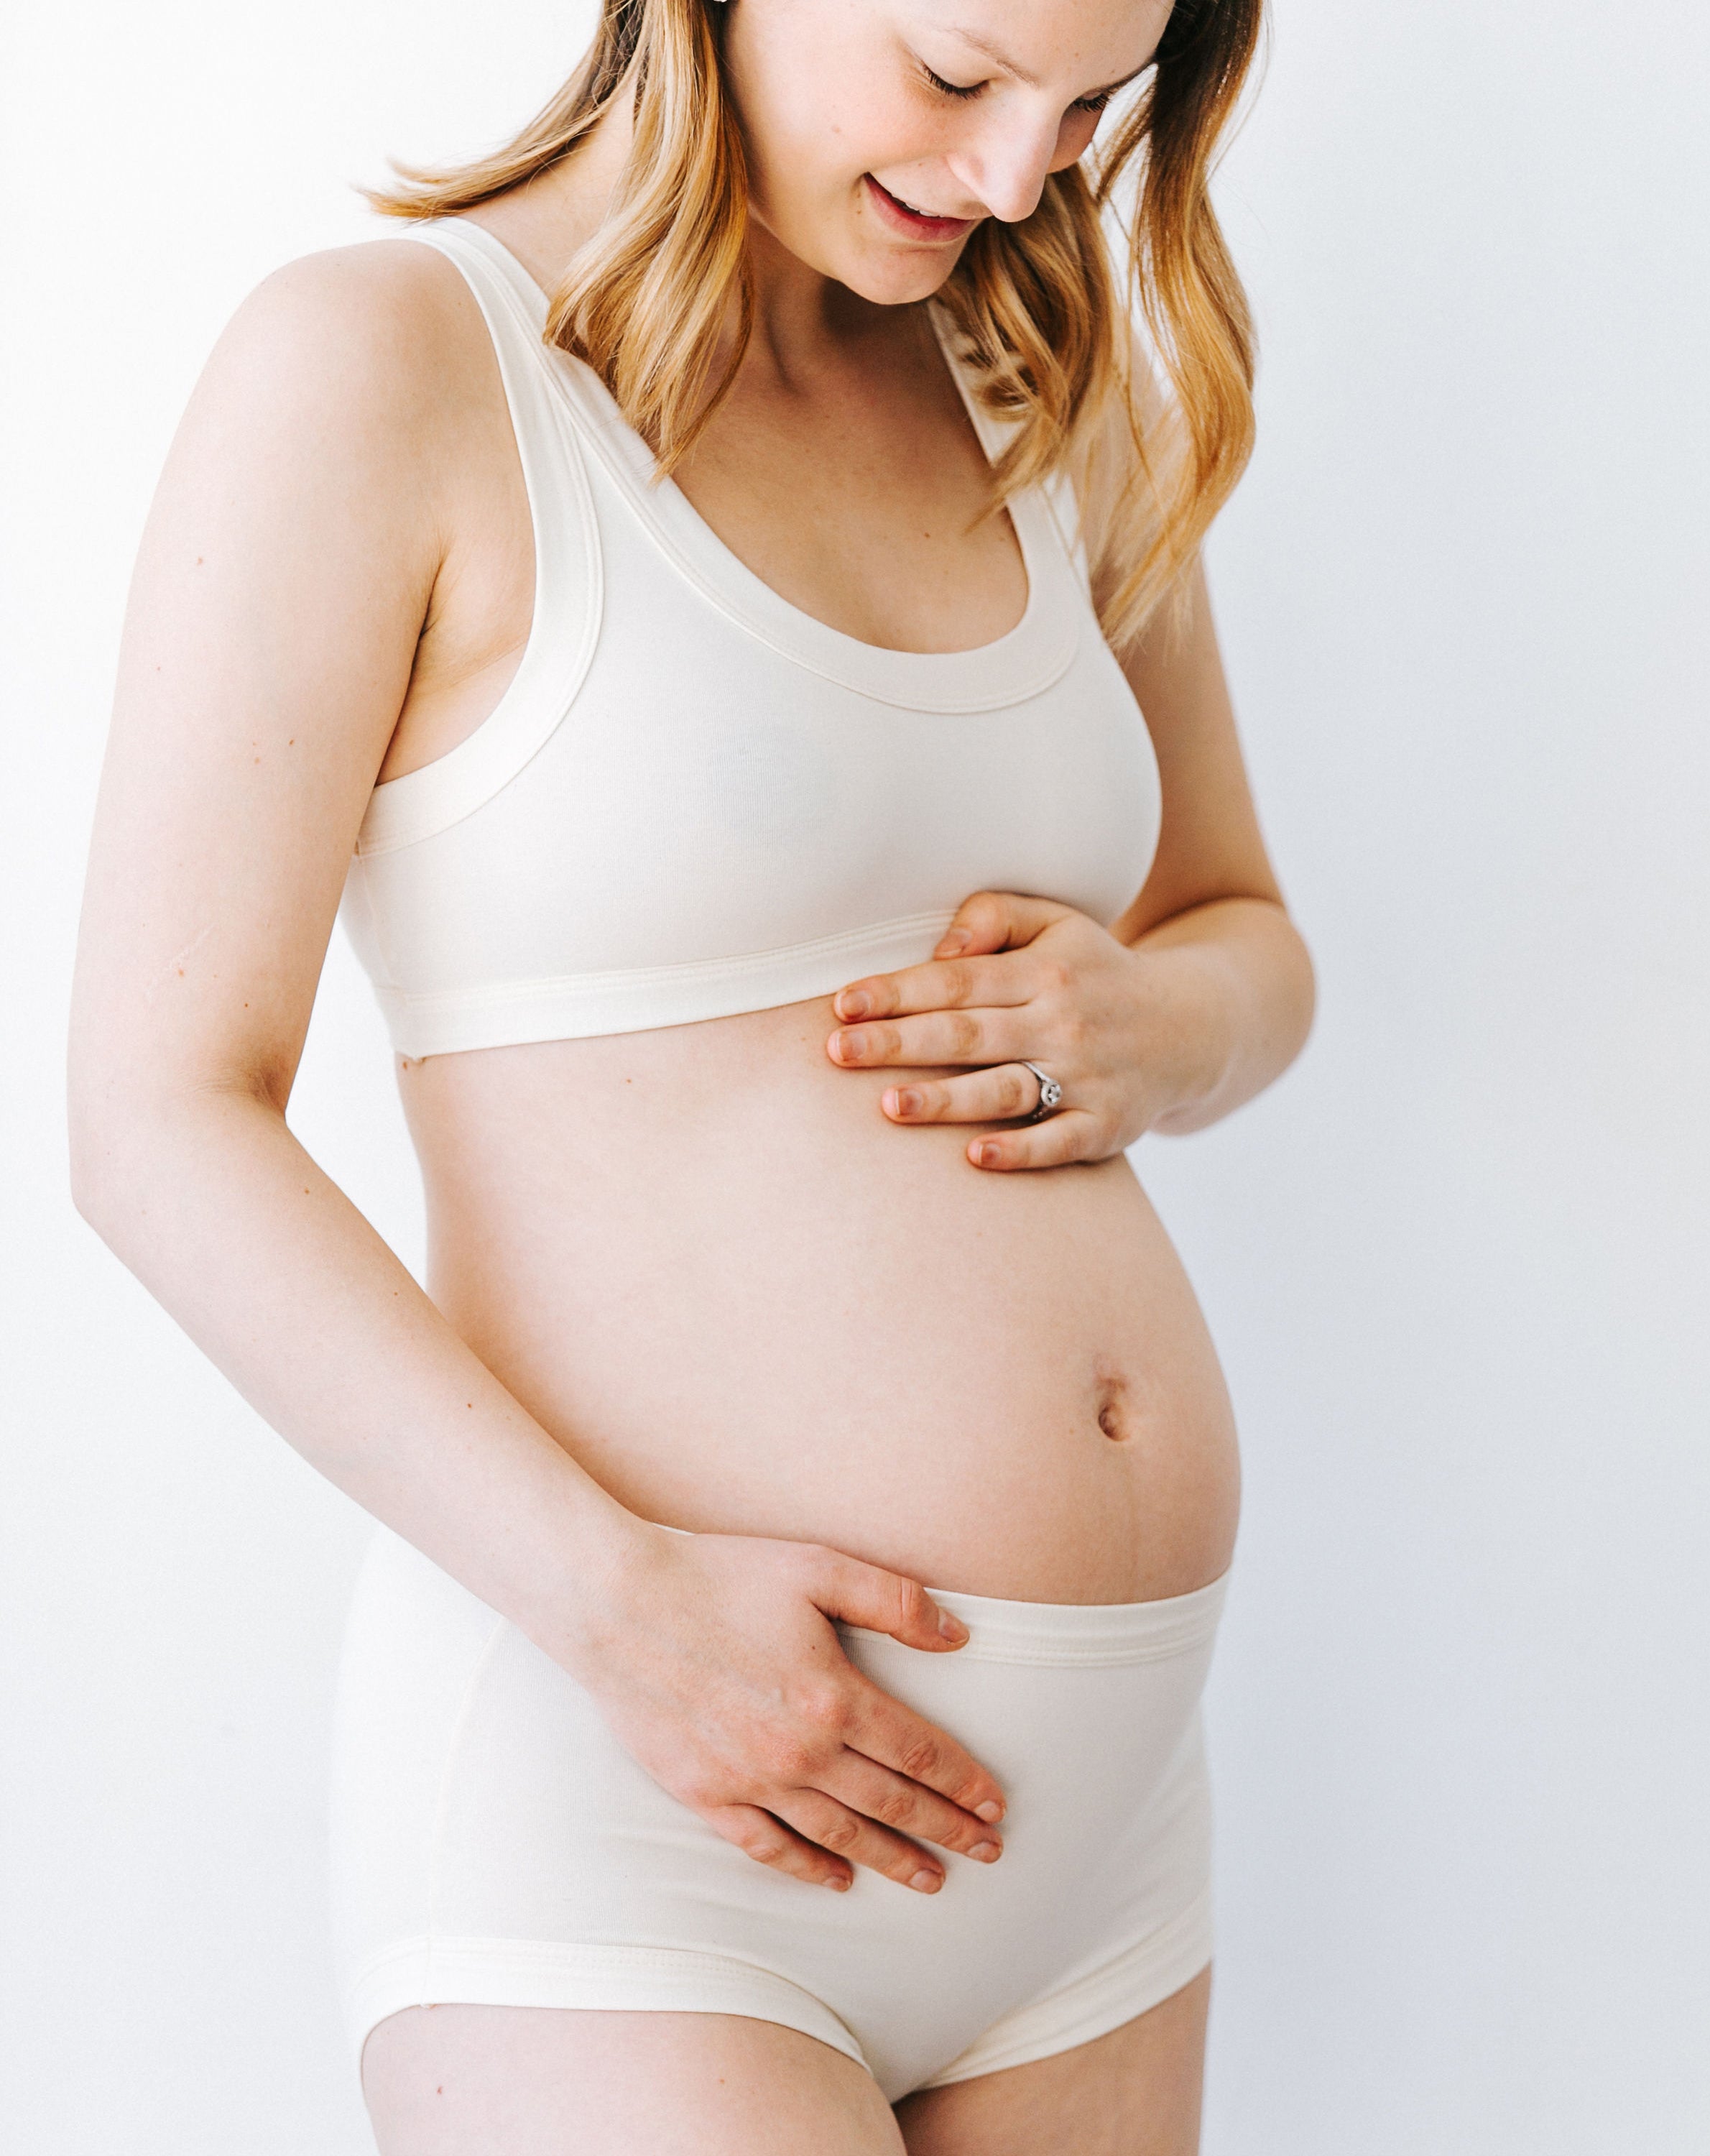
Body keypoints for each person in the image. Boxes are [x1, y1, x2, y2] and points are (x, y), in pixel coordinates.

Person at [68, 0, 1313, 2147]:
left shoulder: (1041, 384)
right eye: (955, 74)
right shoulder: (387, 369)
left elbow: (1243, 931)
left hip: (1103, 1840)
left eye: (1092, 105)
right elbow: (156, 1116)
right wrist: (621, 1611)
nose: (1023, 178)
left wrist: (1160, 1025)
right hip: (631, 1805)